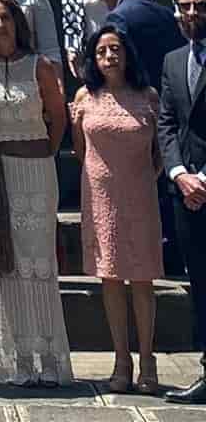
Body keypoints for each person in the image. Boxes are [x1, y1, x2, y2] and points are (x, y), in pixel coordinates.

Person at [0, 0, 73, 387]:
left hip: (37, 172)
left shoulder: (39, 65)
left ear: (18, 22)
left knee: (39, 263)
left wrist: (45, 151)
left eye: (6, 18)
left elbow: (58, 115)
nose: (0, 26)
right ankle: (19, 361)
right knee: (7, 263)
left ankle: (49, 359)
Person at [70, 25, 163, 395]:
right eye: (102, 51)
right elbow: (80, 148)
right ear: (93, 59)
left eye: (116, 49)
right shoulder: (85, 96)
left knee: (142, 278)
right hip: (100, 195)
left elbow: (159, 150)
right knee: (110, 278)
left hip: (139, 194)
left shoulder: (148, 96)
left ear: (127, 54)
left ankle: (148, 358)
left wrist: (142, 179)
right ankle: (121, 360)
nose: (110, 56)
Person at [95, 0, 184, 276]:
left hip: (137, 108)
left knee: (146, 183)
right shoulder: (164, 13)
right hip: (172, 104)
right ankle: (175, 253)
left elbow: (122, 66)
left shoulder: (117, 18)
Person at [158, 0, 206, 405]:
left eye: (200, 6)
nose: (192, 14)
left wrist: (203, 177)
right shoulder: (173, 60)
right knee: (200, 283)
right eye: (185, 7)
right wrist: (178, 172)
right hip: (184, 192)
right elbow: (167, 122)